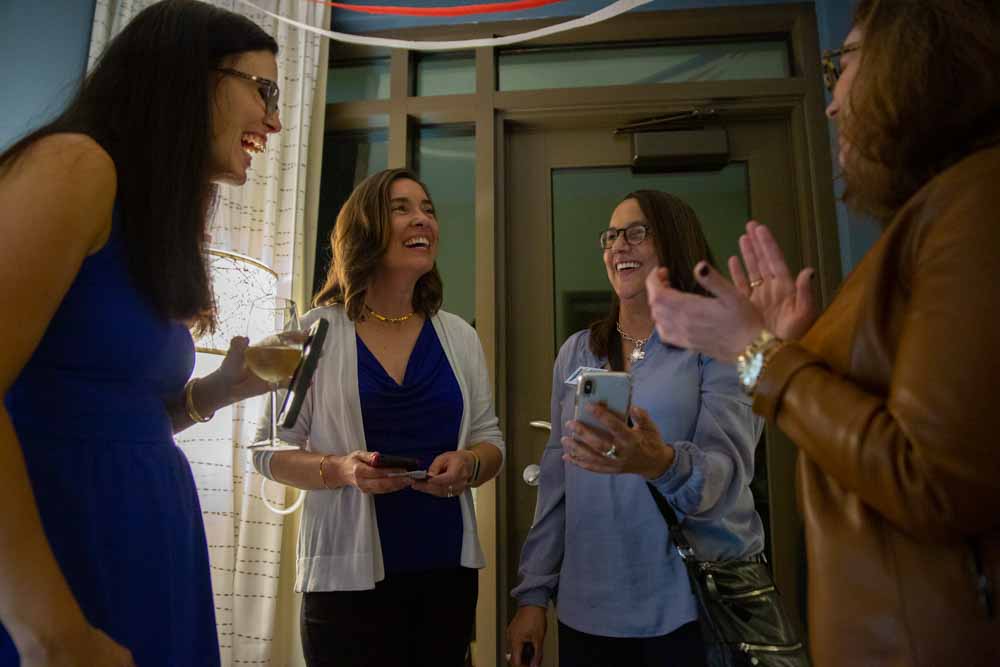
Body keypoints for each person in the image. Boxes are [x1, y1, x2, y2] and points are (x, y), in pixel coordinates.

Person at [644, 1, 1000, 665]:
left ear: (914, 62)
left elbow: (933, 482)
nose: (831, 103)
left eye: (842, 63)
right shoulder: (936, 211)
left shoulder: (978, 201)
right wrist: (796, 345)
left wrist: (756, 353)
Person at [0, 1, 284, 665]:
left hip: (144, 564)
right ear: (189, 76)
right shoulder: (76, 165)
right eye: (263, 90)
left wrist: (213, 391)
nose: (274, 120)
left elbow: (108, 415)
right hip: (59, 572)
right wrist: (50, 630)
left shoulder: (144, 218)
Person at [252, 168, 505, 667]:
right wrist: (342, 471)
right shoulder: (313, 333)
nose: (423, 220)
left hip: (444, 574)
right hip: (342, 586)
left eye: (428, 209)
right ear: (366, 228)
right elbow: (267, 451)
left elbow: (489, 439)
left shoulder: (459, 337)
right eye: (402, 208)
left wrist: (471, 466)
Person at [506, 190, 764, 667]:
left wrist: (661, 463)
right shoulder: (578, 352)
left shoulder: (718, 345)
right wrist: (533, 596)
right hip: (587, 613)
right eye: (611, 236)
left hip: (688, 609)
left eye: (637, 232)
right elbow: (556, 487)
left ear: (675, 244)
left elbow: (728, 474)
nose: (618, 246)